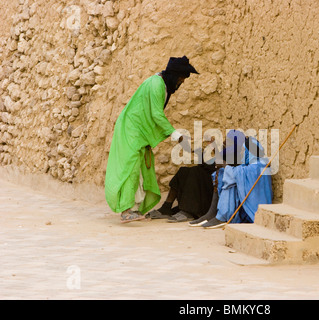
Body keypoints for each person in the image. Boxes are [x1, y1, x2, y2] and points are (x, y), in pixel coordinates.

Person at [104, 56, 198, 223]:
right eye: (182, 77)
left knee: (140, 170)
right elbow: (156, 114)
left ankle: (134, 209)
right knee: (130, 168)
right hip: (131, 131)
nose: (182, 81)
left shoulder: (160, 84)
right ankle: (126, 210)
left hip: (138, 133)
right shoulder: (157, 85)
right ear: (174, 75)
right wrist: (176, 134)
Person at [190, 131, 273, 229]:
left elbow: (243, 172)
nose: (241, 152)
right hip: (246, 199)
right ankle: (214, 213)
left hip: (254, 203)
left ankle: (223, 216)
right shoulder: (249, 158)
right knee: (222, 173)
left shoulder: (259, 163)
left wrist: (225, 166)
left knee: (230, 178)